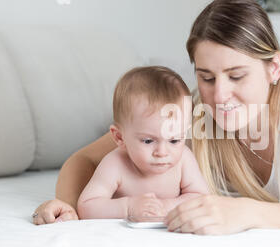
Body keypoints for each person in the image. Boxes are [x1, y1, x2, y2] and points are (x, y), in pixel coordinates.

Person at [33, 0, 280, 235]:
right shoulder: (192, 111)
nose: (219, 96)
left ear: (274, 68)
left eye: (237, 76)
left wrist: (243, 212)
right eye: (207, 77)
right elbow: (83, 160)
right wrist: (69, 206)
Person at [77, 66, 210, 221]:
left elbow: (202, 198)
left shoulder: (184, 160)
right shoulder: (115, 164)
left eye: (174, 140)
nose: (162, 152)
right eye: (148, 141)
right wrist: (128, 207)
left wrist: (167, 206)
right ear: (120, 137)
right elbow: (87, 207)